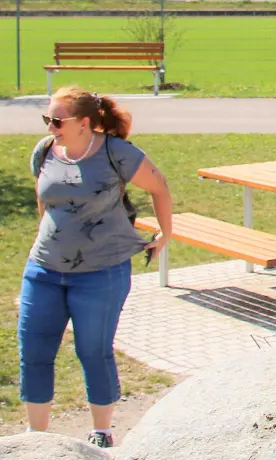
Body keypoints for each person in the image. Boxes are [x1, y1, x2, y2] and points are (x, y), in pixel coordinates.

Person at [21, 87, 174, 449]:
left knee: (93, 350)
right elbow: (45, 197)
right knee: (34, 349)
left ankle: (102, 432)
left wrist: (165, 233)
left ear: (85, 123)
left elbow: (160, 185)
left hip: (101, 273)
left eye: (57, 120)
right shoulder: (45, 150)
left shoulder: (115, 152)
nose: (51, 126)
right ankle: (35, 438)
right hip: (43, 270)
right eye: (48, 119)